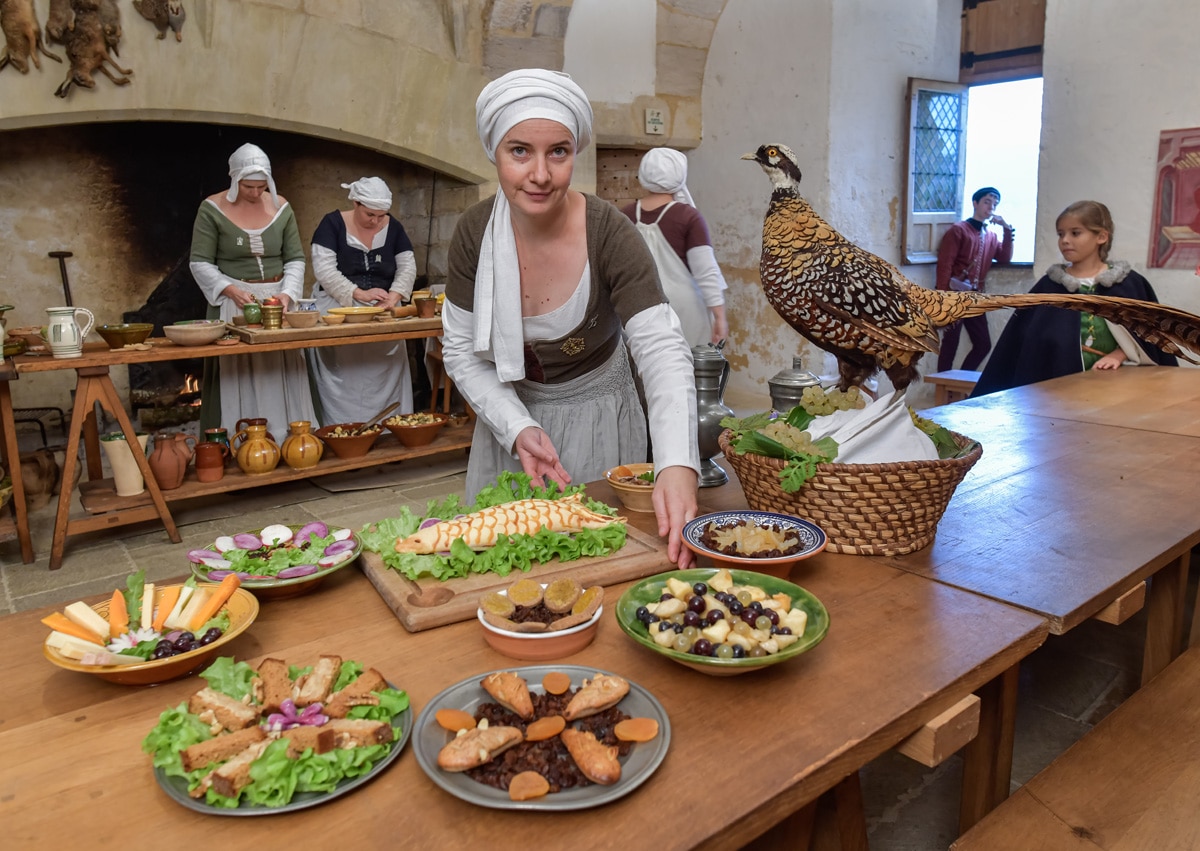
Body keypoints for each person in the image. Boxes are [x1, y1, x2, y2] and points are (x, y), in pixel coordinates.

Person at [441, 67, 700, 567]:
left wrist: (677, 463)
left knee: (593, 566)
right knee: (501, 569)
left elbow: (661, 349)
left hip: (600, 417)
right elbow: (460, 349)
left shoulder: (609, 232)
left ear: (574, 153)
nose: (540, 174)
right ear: (494, 152)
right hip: (511, 422)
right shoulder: (474, 234)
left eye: (557, 151)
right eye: (520, 151)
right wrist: (516, 426)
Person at [972, 200, 1177, 397]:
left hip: (1118, 388)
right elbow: (1022, 346)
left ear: (1102, 237)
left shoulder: (1129, 285)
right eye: (1061, 234)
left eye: (1075, 233)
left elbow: (1150, 339)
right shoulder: (1049, 288)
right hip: (1057, 391)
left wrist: (1120, 353)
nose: (1065, 240)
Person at [189, 143, 318, 439]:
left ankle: (293, 439)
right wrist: (231, 290)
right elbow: (200, 262)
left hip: (277, 303)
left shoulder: (281, 208)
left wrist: (286, 294)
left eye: (262, 186)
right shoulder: (212, 209)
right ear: (235, 180)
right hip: (234, 305)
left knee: (283, 370)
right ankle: (243, 443)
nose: (255, 192)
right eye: (248, 186)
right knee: (241, 373)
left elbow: (295, 258)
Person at [308, 177, 417, 424]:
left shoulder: (394, 228)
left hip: (384, 312)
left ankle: (389, 428)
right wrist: (358, 294)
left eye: (382, 216)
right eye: (370, 214)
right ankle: (341, 429)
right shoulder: (332, 224)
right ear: (355, 203)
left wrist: (395, 296)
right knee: (347, 373)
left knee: (384, 371)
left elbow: (407, 267)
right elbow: (324, 270)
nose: (376, 221)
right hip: (339, 311)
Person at [621, 147, 729, 347]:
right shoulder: (688, 216)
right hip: (684, 313)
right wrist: (719, 316)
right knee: (686, 371)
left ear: (644, 174)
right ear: (679, 174)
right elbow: (706, 271)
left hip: (640, 308)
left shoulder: (625, 215)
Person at [935, 186, 1015, 372]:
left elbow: (1004, 257)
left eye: (995, 203)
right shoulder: (958, 230)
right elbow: (945, 264)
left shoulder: (991, 236)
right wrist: (942, 296)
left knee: (983, 344)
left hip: (975, 297)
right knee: (950, 344)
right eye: (987, 202)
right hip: (954, 295)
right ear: (975, 203)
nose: (991, 207)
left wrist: (1006, 229)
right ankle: (942, 389)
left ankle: (958, 385)